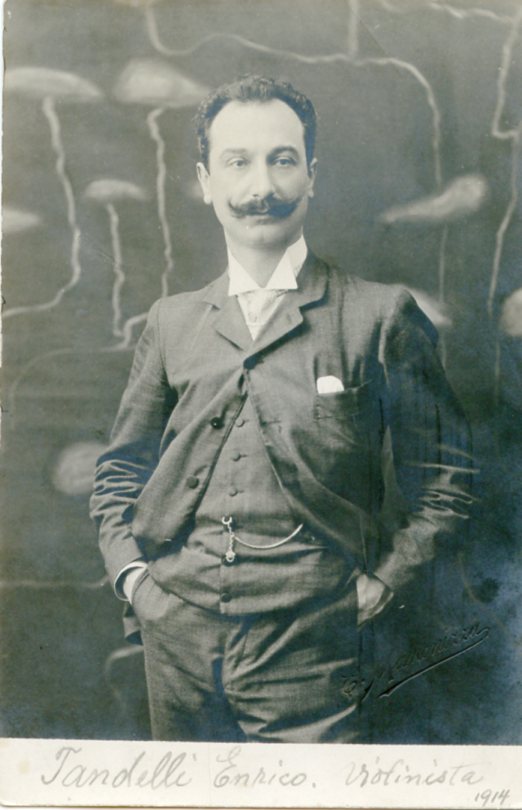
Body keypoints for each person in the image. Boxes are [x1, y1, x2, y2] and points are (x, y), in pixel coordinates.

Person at [90, 74, 473, 743]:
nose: (260, 187)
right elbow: (120, 471)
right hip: (175, 640)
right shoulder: (172, 322)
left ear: (312, 176)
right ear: (206, 180)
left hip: (317, 643)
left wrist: (386, 582)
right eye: (237, 162)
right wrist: (135, 582)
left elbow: (447, 483)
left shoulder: (379, 316)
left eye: (282, 160)